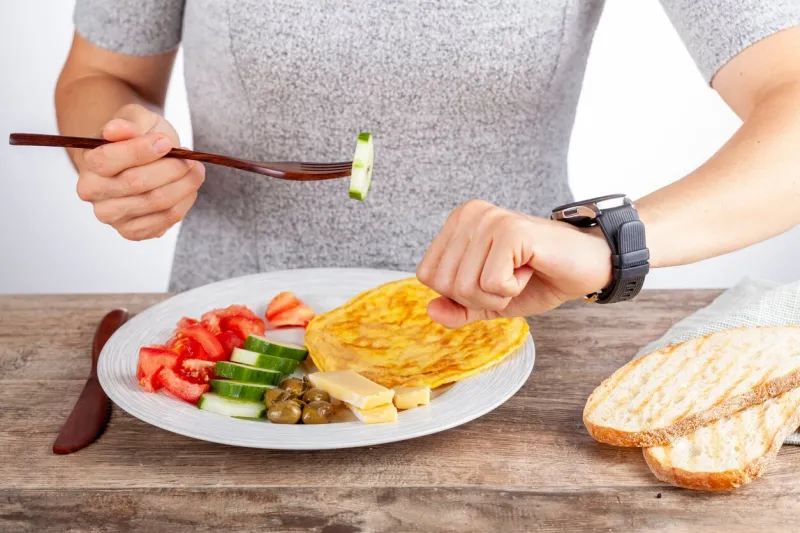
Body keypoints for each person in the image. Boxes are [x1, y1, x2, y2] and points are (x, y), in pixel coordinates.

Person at [58, 1, 800, 328]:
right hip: (229, 347)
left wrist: (609, 242)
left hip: (510, 360)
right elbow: (99, 77)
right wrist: (121, 150)